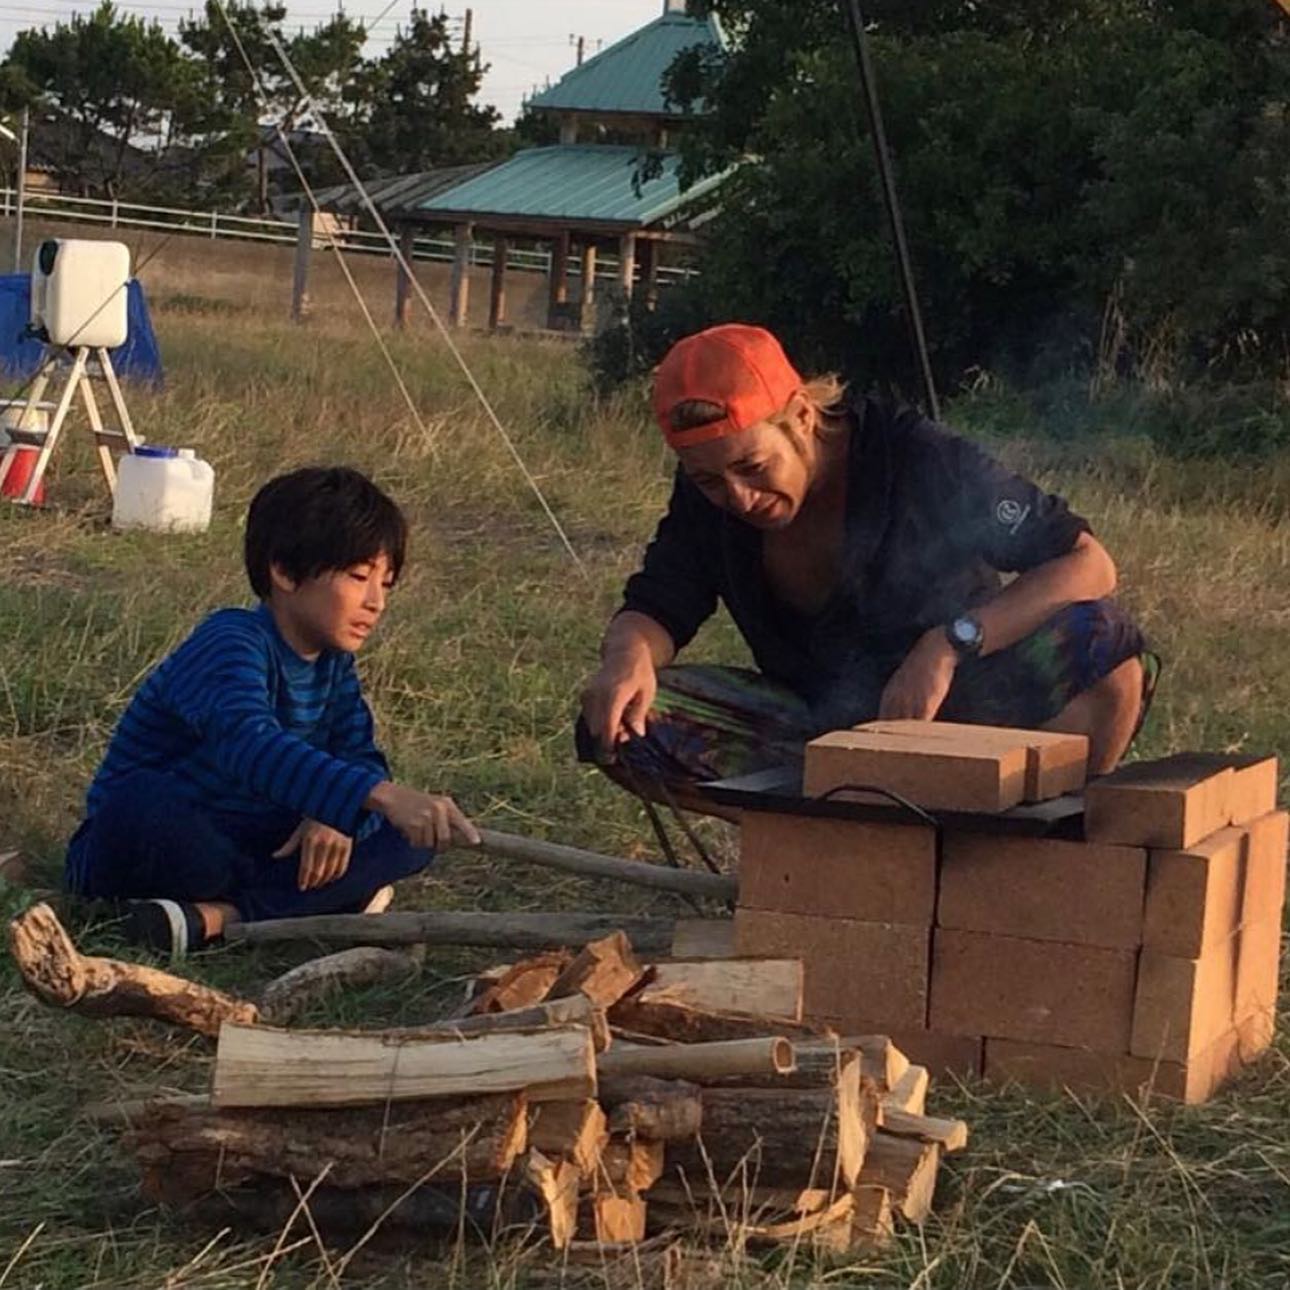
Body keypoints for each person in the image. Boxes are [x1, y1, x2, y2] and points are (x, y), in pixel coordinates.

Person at [579, 324, 1154, 808]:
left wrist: (949, 644)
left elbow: (1088, 564)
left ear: (801, 416)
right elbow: (657, 604)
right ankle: (822, 853)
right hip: (818, 730)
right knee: (629, 721)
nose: (738, 496)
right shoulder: (709, 497)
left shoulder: (913, 456)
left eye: (753, 467)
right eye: (709, 480)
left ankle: (1031, 839)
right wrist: (627, 657)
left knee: (1104, 640)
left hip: (966, 716)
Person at [65, 466, 480, 958]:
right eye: (359, 577)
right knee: (143, 805)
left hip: (252, 842)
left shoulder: (334, 665)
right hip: (171, 838)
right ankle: (299, 908)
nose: (376, 602)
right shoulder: (231, 640)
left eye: (386, 584)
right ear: (283, 570)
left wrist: (336, 816)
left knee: (410, 836)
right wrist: (372, 796)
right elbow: (248, 743)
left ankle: (219, 919)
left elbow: (360, 755)